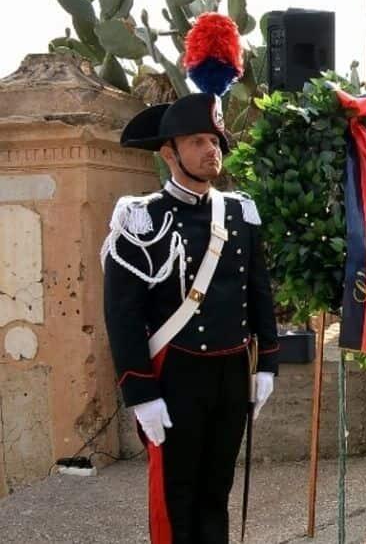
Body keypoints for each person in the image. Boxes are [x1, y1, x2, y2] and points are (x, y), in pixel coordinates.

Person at [104, 94, 279, 543]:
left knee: (217, 487)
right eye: (197, 141)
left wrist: (267, 364)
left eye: (214, 140)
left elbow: (258, 290)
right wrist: (140, 392)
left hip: (232, 370)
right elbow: (123, 314)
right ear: (169, 153)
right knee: (176, 494)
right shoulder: (142, 219)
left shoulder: (239, 212)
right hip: (177, 374)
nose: (211, 149)